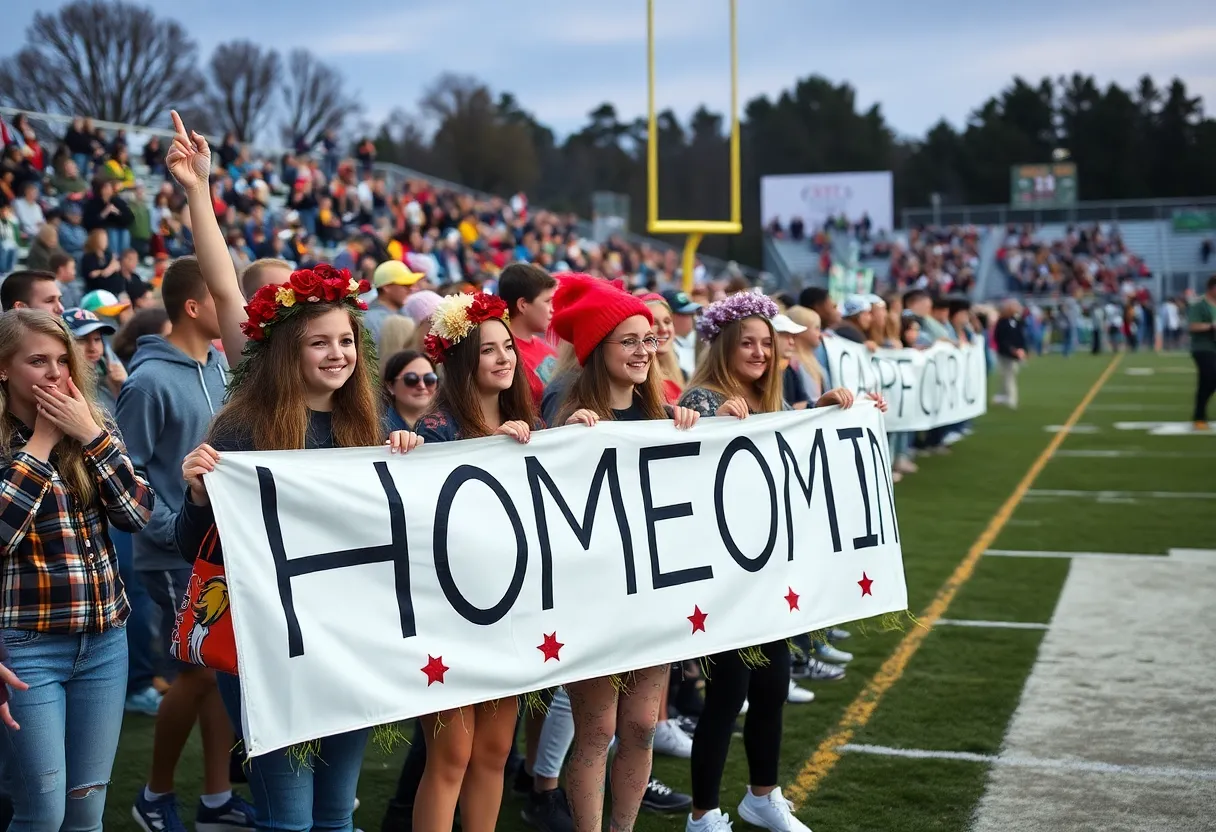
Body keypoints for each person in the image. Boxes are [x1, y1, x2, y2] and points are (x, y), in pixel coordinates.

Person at [167, 109, 423, 832]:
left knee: (338, 812)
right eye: (321, 343)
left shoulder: (365, 425)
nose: (339, 354)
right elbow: (197, 548)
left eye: (347, 341)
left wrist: (401, 459)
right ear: (286, 351)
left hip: (345, 639)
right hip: (264, 647)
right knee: (288, 817)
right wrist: (199, 192)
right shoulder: (245, 423)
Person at [677, 293, 873, 832]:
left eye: (768, 343)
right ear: (722, 347)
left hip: (768, 571)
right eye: (749, 343)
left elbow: (789, 440)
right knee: (728, 693)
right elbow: (681, 451)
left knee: (772, 684)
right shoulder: (702, 395)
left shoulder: (769, 397)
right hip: (722, 578)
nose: (761, 353)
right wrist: (711, 421)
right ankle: (703, 814)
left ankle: (762, 797)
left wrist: (831, 409)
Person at [549, 274, 701, 832]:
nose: (644, 351)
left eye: (649, 340)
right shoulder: (571, 415)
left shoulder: (665, 414)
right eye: (629, 341)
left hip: (654, 593)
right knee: (597, 729)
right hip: (593, 598)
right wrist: (564, 437)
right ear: (597, 350)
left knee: (640, 725)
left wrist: (699, 429)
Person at [0, 308, 155, 832]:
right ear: (3, 368)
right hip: (27, 645)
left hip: (106, 641)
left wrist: (91, 435)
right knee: (42, 813)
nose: (54, 373)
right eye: (37, 361)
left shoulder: (92, 422)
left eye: (61, 360)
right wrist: (41, 442)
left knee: (86, 812)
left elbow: (136, 512)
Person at [116, 257, 250, 832]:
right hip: (172, 553)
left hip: (223, 549)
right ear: (194, 308)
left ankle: (216, 801)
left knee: (222, 671)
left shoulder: (223, 366)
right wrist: (175, 528)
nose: (235, 308)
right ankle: (153, 796)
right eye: (222, 298)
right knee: (196, 673)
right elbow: (126, 474)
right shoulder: (147, 382)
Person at [410, 291, 539, 832]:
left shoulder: (531, 431)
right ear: (464, 360)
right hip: (447, 615)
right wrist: (406, 446)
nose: (505, 358)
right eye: (489, 350)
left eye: (508, 346)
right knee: (451, 758)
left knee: (494, 752)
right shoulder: (431, 432)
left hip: (509, 611)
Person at [499, 262, 559, 406]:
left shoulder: (545, 347)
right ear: (523, 305)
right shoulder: (506, 354)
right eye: (547, 302)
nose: (552, 309)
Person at [364, 259, 425, 343]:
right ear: (386, 287)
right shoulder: (370, 320)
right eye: (406, 285)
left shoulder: (403, 311)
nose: (412, 289)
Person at [643, 292, 686, 403]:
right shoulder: (637, 382)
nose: (663, 329)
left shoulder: (681, 373)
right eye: (654, 322)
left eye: (667, 322)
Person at [382, 348, 437, 432]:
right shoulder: (378, 428)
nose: (422, 386)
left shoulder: (450, 425)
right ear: (390, 386)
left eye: (429, 379)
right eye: (411, 379)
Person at [1188, 274, 1216, 430]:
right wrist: (1211, 326)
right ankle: (1199, 414)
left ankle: (1199, 415)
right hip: (1203, 347)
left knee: (1206, 382)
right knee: (1211, 376)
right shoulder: (1200, 304)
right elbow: (1193, 326)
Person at [994, 300, 1027, 410]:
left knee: (1009, 374)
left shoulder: (1017, 321)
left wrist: (1021, 349)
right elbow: (1000, 338)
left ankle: (1002, 395)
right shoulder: (1002, 322)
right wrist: (1011, 349)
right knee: (1009, 375)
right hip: (1005, 352)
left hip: (1015, 353)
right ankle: (1012, 398)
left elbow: (1020, 336)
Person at [662, 288, 703, 377]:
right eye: (684, 314)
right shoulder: (662, 348)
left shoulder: (702, 339)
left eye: (692, 313)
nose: (691, 318)